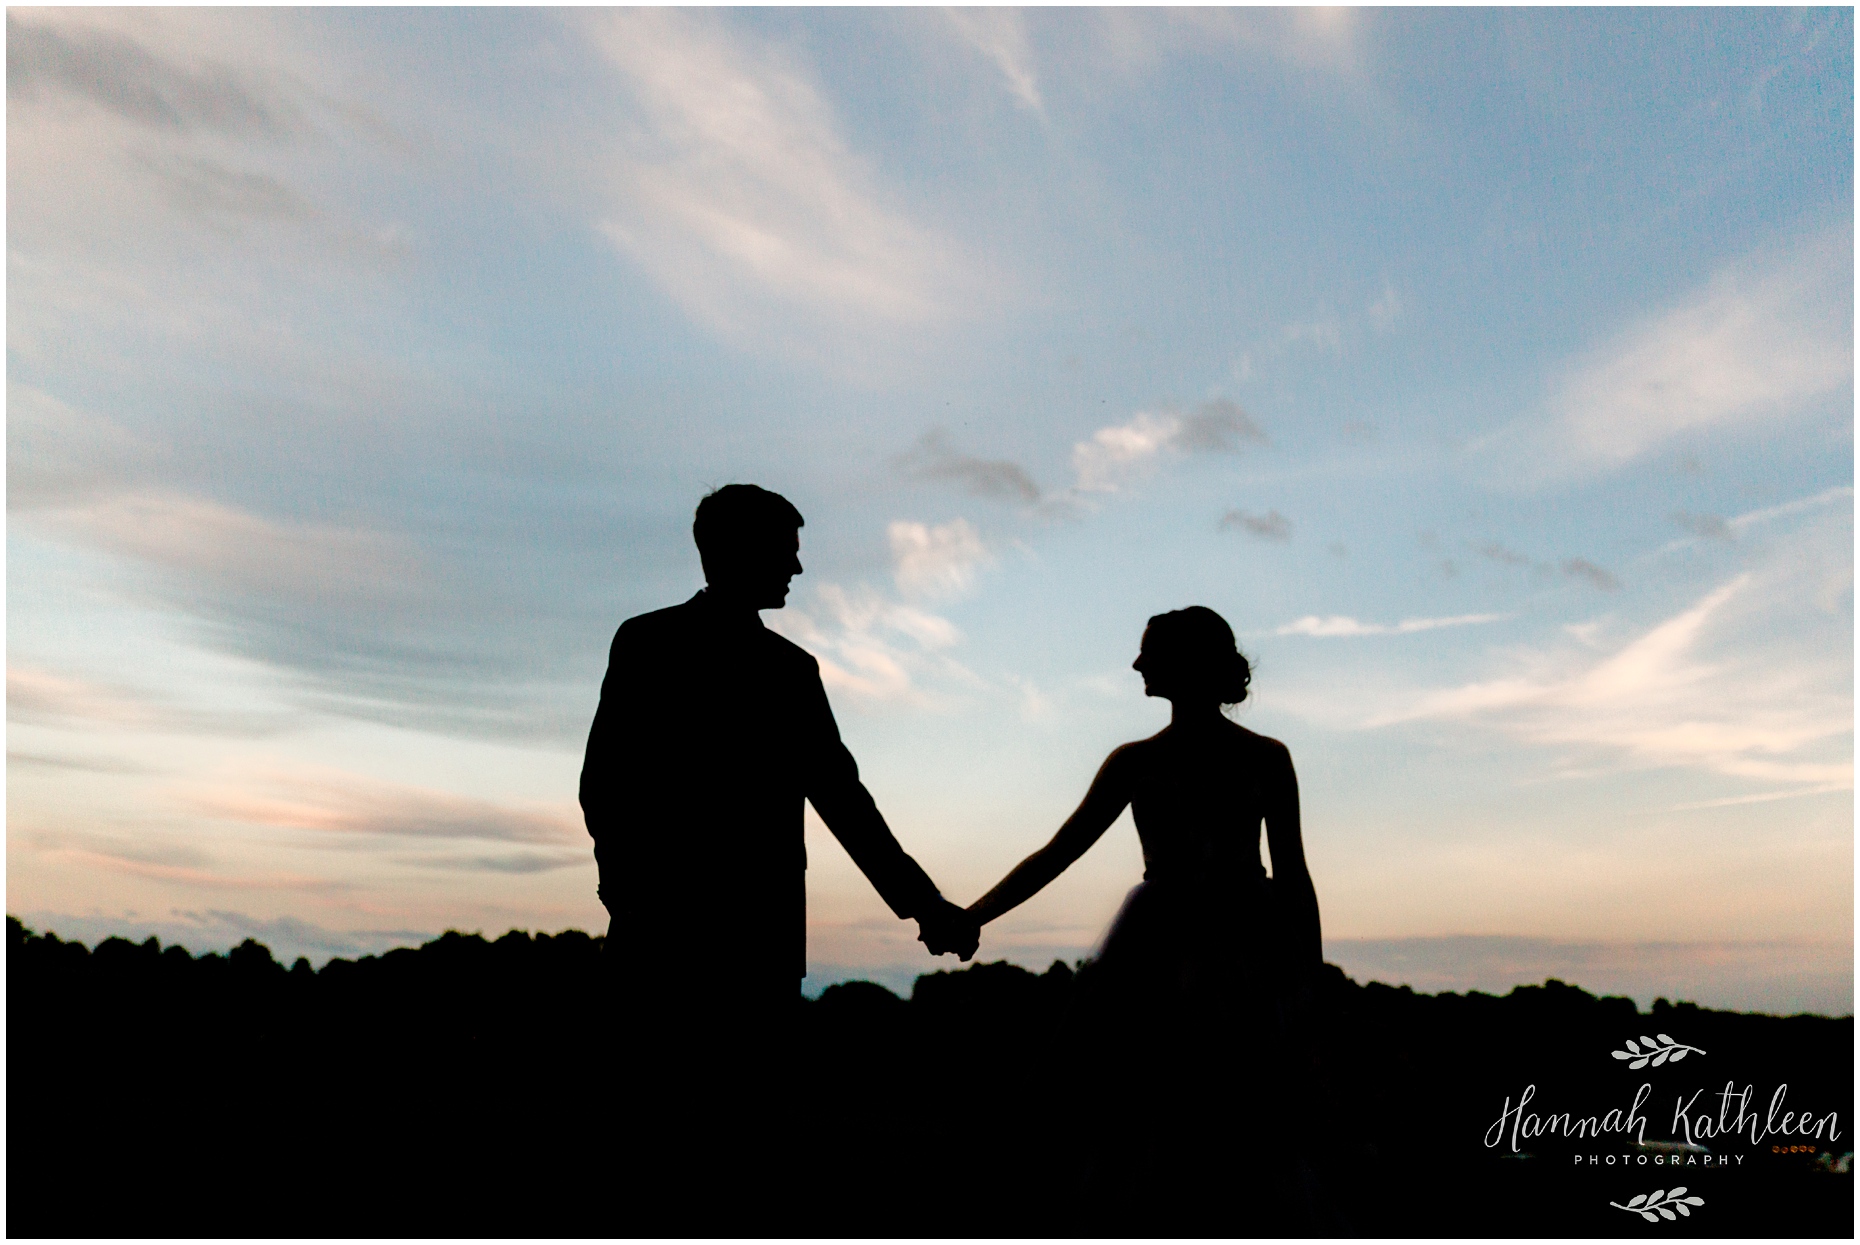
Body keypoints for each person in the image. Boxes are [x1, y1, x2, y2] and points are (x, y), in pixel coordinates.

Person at [964, 605, 1328, 1231]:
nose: (1136, 664)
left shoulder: (1268, 758)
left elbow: (1294, 872)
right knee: (1153, 1103)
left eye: (1149, 652)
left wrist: (1309, 978)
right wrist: (972, 916)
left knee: (1240, 1106)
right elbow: (1059, 853)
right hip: (1161, 950)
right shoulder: (1134, 761)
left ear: (1190, 663)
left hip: (1244, 946)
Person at [579, 484, 980, 1015]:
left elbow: (844, 800)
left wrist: (925, 906)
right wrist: (624, 887)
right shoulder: (647, 643)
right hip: (662, 941)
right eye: (786, 549)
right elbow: (606, 781)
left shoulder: (792, 671)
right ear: (736, 550)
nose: (797, 567)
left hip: (759, 950)